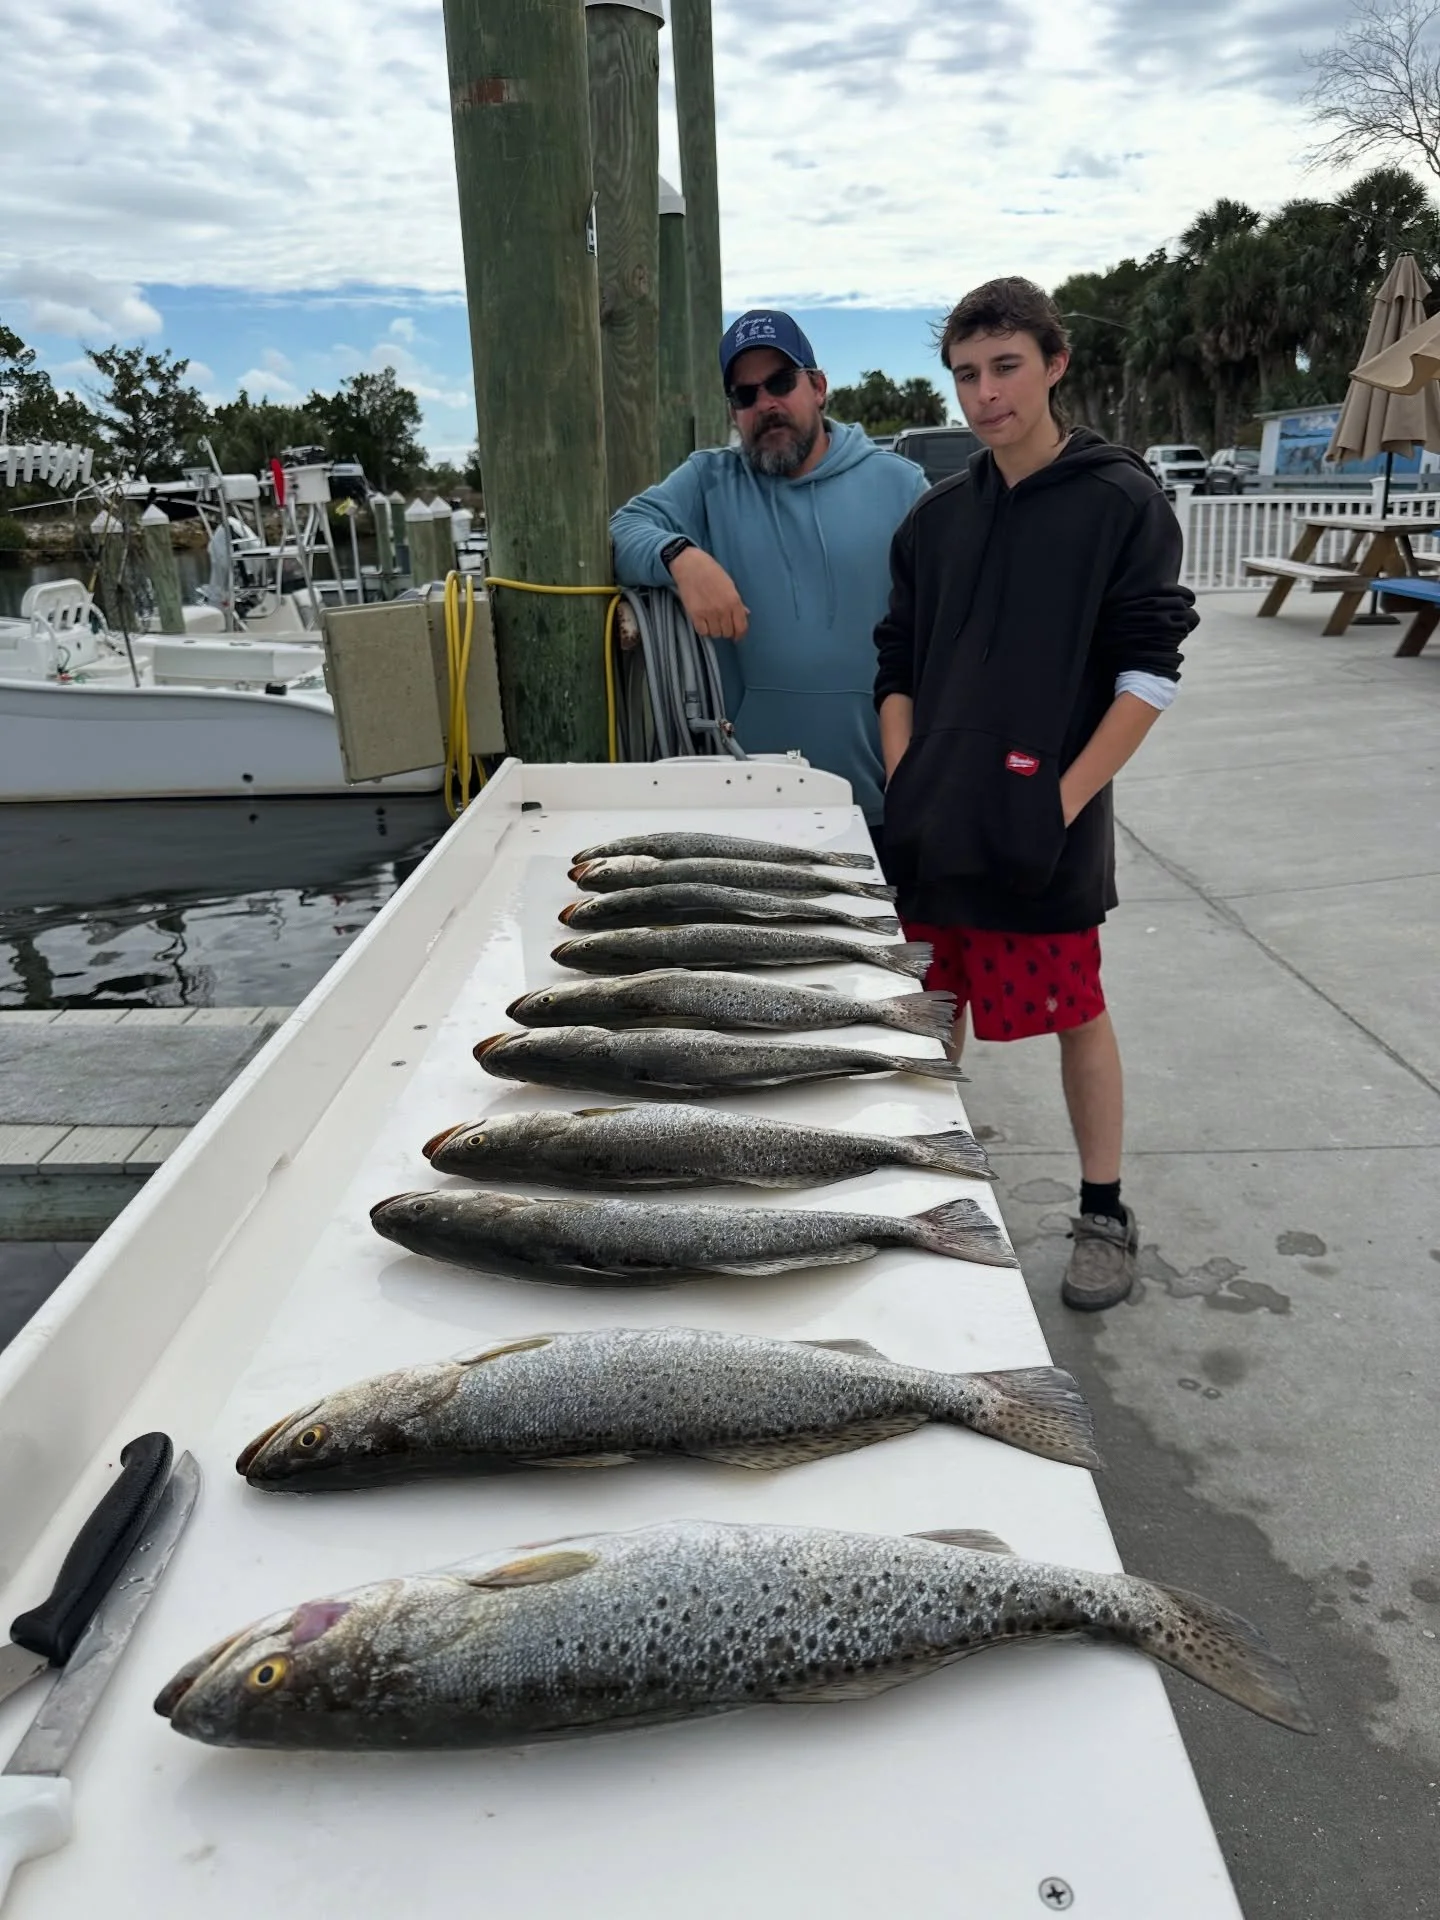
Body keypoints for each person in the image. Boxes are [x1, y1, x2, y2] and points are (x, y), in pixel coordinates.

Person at [874, 277, 1198, 1311]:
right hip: (935, 828)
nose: (985, 393)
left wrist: (1057, 803)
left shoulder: (1120, 502)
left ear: (1055, 364)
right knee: (927, 1018)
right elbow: (895, 662)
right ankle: (923, 1195)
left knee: (1076, 1013)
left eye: (1006, 367)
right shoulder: (934, 520)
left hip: (1044, 829)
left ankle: (1104, 1211)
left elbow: (1149, 673)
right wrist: (907, 775)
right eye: (966, 373)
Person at [610, 310, 928, 830]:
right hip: (748, 805)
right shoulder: (708, 480)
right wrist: (682, 557)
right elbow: (624, 529)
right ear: (733, 411)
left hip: (881, 803)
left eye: (781, 383)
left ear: (818, 387)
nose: (766, 404)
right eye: (745, 394)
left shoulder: (902, 486)